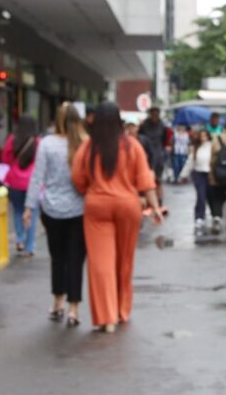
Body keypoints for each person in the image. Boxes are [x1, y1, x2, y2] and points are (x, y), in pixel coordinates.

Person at [71, 101, 163, 334]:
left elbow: (78, 180)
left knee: (101, 263)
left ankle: (106, 317)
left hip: (97, 207)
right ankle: (122, 310)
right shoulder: (132, 146)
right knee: (124, 261)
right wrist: (156, 208)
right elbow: (145, 181)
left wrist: (92, 189)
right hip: (127, 206)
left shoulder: (89, 147)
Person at [24, 102, 88, 327]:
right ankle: (74, 309)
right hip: (80, 210)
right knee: (76, 260)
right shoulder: (84, 143)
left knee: (58, 258)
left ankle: (58, 301)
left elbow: (37, 177)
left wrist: (28, 207)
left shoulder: (47, 144)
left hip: (51, 210)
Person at [2, 116, 40, 256]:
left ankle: (19, 240)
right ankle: (29, 246)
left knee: (17, 211)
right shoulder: (38, 142)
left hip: (15, 183)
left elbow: (5, 158)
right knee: (32, 214)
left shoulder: (12, 139)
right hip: (32, 183)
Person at [178, 129, 212, 228]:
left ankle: (214, 215)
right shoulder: (195, 148)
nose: (203, 138)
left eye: (205, 136)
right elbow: (190, 162)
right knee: (201, 195)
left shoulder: (212, 146)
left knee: (210, 196)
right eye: (201, 136)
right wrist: (183, 175)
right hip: (198, 173)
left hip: (210, 174)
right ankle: (199, 216)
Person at [138, 107, 167, 204]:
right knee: (148, 177)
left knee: (158, 179)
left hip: (158, 153)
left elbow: (164, 139)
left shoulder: (162, 125)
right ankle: (149, 200)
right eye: (153, 114)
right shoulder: (144, 125)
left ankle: (159, 200)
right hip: (147, 153)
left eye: (156, 114)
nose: (154, 116)